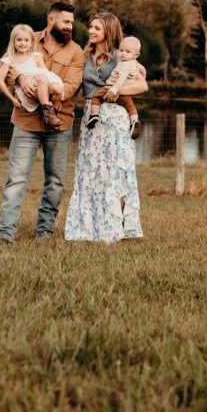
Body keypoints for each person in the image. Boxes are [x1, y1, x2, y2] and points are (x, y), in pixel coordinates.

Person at [0, 2, 86, 244]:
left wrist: (46, 92)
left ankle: (44, 232)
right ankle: (5, 233)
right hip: (26, 122)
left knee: (55, 182)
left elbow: (71, 86)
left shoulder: (76, 52)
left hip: (60, 123)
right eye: (65, 22)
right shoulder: (27, 38)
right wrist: (20, 77)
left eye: (71, 23)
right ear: (51, 20)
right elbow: (2, 66)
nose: (69, 27)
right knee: (16, 178)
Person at [65, 14, 147, 243]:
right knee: (91, 173)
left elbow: (143, 85)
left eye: (96, 28)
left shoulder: (121, 56)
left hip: (114, 119)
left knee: (114, 172)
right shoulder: (84, 56)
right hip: (91, 119)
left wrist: (118, 90)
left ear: (108, 31)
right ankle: (89, 227)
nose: (91, 31)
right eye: (91, 26)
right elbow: (73, 83)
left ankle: (116, 224)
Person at [0, 24, 65, 129]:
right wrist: (12, 99)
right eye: (19, 40)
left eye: (26, 40)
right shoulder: (9, 60)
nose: (23, 43)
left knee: (58, 88)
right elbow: (0, 82)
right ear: (13, 41)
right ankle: (48, 114)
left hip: (41, 87)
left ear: (32, 42)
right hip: (28, 93)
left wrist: (60, 87)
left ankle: (52, 113)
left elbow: (47, 74)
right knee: (41, 77)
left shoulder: (36, 57)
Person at [86, 35, 145, 138]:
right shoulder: (133, 63)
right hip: (124, 95)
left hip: (110, 88)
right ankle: (134, 121)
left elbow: (123, 79)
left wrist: (114, 89)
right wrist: (143, 74)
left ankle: (94, 114)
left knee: (96, 97)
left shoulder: (123, 64)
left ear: (136, 55)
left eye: (127, 52)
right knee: (130, 107)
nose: (122, 53)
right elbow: (141, 69)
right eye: (121, 50)